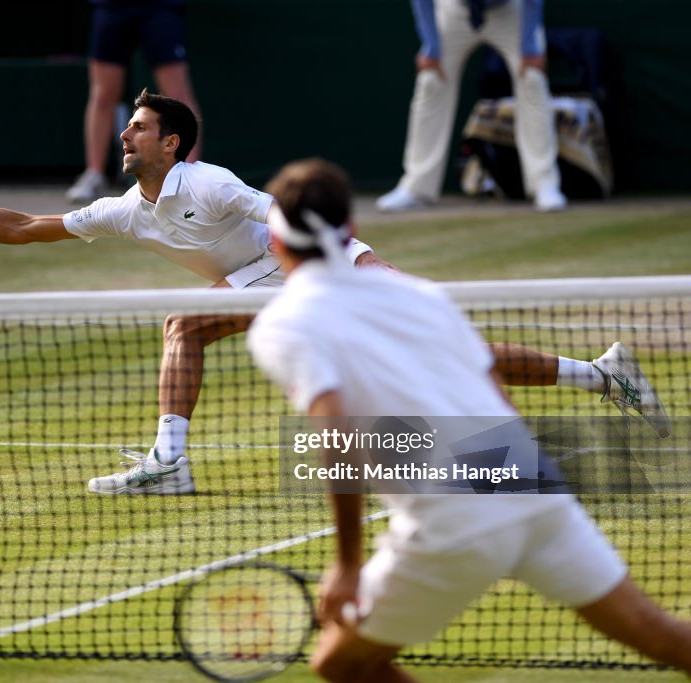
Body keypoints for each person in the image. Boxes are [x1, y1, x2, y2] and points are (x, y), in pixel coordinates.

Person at [0, 91, 667, 497]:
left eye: (138, 128)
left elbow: (288, 216)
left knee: (442, 350)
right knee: (183, 325)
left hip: (322, 264)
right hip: (268, 285)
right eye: (127, 127)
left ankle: (598, 376)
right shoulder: (123, 207)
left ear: (172, 143)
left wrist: (330, 282)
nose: (124, 138)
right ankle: (170, 461)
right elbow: (24, 226)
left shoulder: (209, 181)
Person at [247, 158, 691, 682]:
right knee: (653, 629)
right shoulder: (419, 294)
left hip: (452, 520)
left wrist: (347, 564)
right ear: (354, 231)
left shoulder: (283, 324)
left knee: (341, 664)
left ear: (276, 245)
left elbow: (337, 434)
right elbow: (492, 392)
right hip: (530, 482)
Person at [377, 0, 568, 213]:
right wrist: (431, 47)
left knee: (532, 79)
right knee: (431, 80)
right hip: (455, 9)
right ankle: (417, 187)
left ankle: (544, 184)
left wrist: (529, 47)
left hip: (510, 10)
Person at [65, 0, 202, 204]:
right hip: (111, 8)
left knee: (178, 95)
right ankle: (94, 173)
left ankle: (190, 176)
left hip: (160, 9)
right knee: (102, 95)